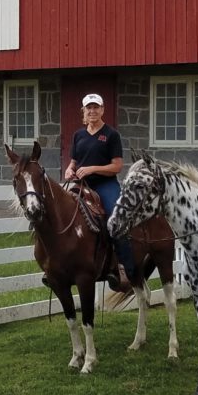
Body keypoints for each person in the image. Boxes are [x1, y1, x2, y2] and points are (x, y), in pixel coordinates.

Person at [63, 93, 133, 291]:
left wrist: (93, 168)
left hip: (105, 185)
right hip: (82, 185)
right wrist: (69, 170)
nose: (92, 111)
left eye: (96, 107)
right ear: (83, 111)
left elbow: (117, 166)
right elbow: (74, 162)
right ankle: (60, 266)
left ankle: (123, 268)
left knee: (116, 220)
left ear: (102, 110)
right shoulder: (79, 135)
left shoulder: (111, 135)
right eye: (88, 108)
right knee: (62, 214)